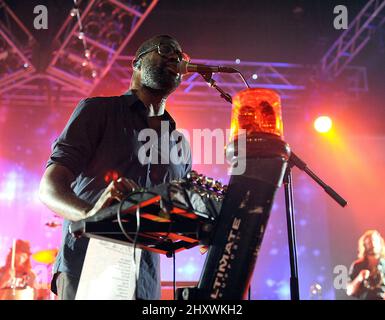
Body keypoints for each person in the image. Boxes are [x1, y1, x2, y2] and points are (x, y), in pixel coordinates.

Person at [39, 35, 192, 300]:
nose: (174, 58)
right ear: (137, 63)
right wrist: (92, 215)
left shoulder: (181, 144)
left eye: (180, 57)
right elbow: (49, 187)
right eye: (165, 50)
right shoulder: (97, 111)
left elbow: (178, 217)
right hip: (87, 268)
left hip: (145, 281)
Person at [346, 230, 385, 300]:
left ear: (380, 243)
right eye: (369, 242)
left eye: (374, 241)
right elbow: (349, 291)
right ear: (365, 245)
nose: (373, 244)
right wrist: (359, 278)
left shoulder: (384, 264)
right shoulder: (357, 265)